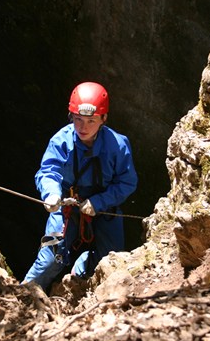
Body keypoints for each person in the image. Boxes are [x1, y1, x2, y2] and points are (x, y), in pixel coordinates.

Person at [22, 81, 138, 291]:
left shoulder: (118, 145)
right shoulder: (61, 141)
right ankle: (23, 294)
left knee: (112, 263)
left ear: (104, 118)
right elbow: (49, 171)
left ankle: (80, 271)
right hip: (67, 207)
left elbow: (127, 182)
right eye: (78, 120)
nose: (83, 127)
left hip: (105, 209)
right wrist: (51, 194)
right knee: (49, 260)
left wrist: (99, 202)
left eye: (91, 121)